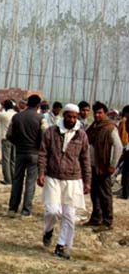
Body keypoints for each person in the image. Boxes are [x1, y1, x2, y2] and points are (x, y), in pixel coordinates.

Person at [38, 104, 91, 260]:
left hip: (74, 179)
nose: (72, 120)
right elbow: (43, 154)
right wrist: (41, 172)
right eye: (69, 116)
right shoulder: (51, 132)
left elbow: (86, 159)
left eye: (75, 117)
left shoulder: (81, 136)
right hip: (53, 176)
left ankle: (61, 246)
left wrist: (87, 182)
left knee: (69, 215)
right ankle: (48, 230)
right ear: (64, 115)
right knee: (53, 211)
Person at [84, 102, 123, 231]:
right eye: (95, 113)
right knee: (94, 193)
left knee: (105, 195)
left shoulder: (110, 128)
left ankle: (107, 221)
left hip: (104, 167)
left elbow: (118, 147)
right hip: (93, 166)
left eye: (100, 113)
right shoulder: (94, 127)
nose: (97, 115)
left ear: (105, 113)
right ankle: (96, 218)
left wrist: (113, 165)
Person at [8, 95, 43, 216]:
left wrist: (18, 144)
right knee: (30, 182)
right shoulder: (40, 118)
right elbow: (44, 138)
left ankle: (12, 208)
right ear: (38, 106)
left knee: (17, 180)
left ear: (27, 103)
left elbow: (9, 135)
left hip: (20, 152)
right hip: (34, 154)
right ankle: (26, 210)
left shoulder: (17, 117)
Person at [0, 100, 17, 185]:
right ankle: (14, 178)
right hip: (16, 139)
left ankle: (7, 179)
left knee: (6, 160)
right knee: (13, 160)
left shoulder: (4, 114)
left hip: (6, 138)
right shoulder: (16, 114)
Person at [119, 105, 129, 200]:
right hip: (126, 148)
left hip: (126, 149)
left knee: (125, 173)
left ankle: (125, 193)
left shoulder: (124, 121)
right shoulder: (124, 122)